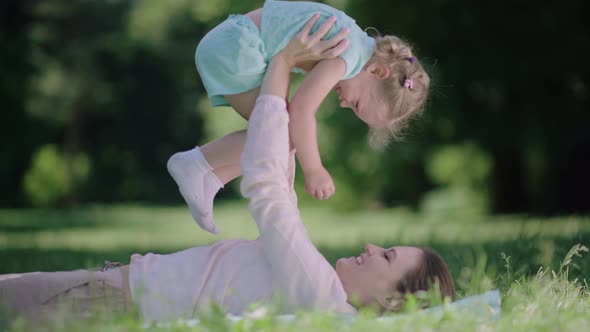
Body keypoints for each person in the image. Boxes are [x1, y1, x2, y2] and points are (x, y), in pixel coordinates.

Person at [0, 23, 452, 325]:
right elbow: (283, 199)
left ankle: (198, 165)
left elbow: (271, 194)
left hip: (119, 299)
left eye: (388, 257)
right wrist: (288, 134)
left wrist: (279, 67)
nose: (373, 247)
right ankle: (199, 166)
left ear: (396, 302)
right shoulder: (318, 290)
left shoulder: (321, 296)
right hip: (123, 288)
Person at [167, 0, 431, 234]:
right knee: (280, 134)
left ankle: (211, 177)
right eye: (357, 103)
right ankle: (195, 164)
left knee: (281, 135)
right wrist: (314, 170)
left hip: (233, 43)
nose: (343, 104)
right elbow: (302, 111)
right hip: (237, 48)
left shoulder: (355, 43)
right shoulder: (348, 56)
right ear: (377, 72)